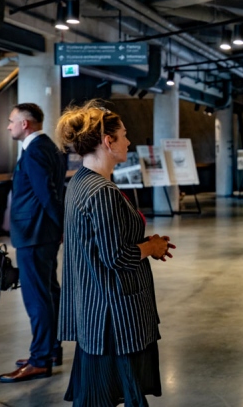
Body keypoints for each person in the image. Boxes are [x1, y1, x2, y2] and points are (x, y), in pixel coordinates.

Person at [56, 101, 175, 406]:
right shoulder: (102, 192)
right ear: (108, 142)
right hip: (115, 315)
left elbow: (102, 246)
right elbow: (117, 257)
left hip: (93, 309)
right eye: (124, 135)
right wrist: (151, 247)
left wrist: (145, 243)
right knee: (121, 392)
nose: (128, 141)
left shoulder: (80, 181)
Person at [0, 104, 66, 383]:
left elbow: (46, 193)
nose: (8, 126)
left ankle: (40, 360)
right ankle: (50, 350)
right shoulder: (47, 146)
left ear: (25, 124)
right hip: (41, 234)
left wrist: (59, 226)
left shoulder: (36, 149)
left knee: (37, 298)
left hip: (35, 235)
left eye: (12, 121)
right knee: (48, 293)